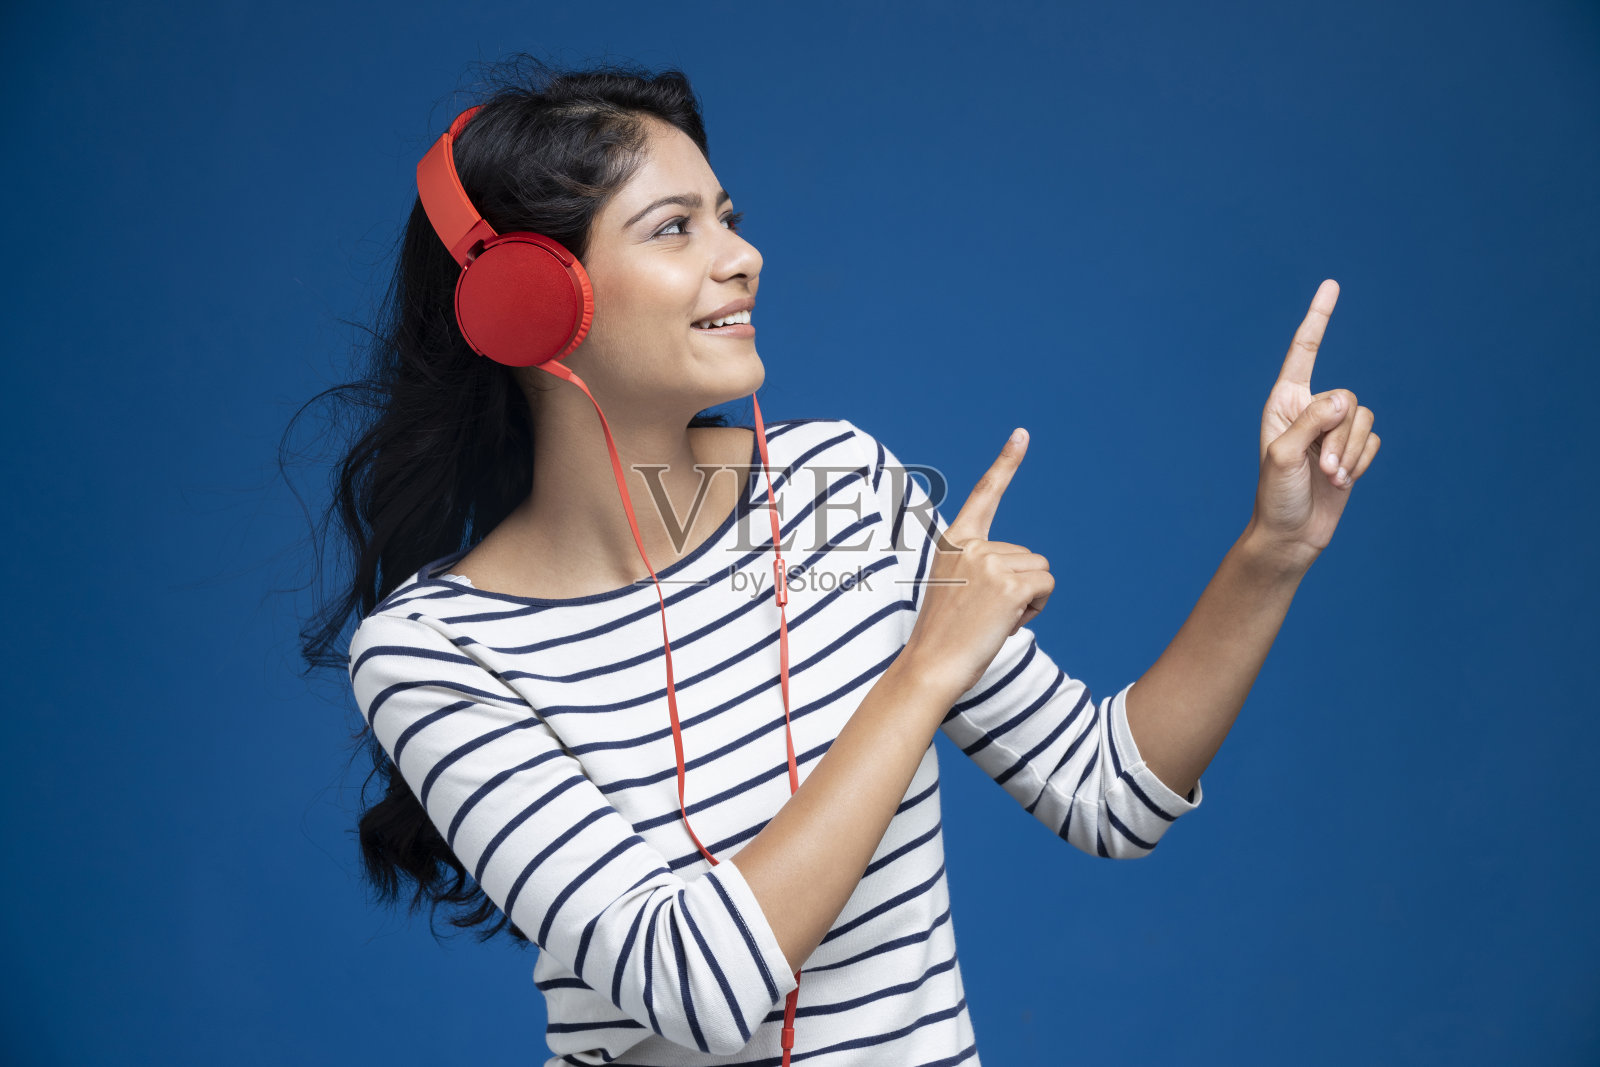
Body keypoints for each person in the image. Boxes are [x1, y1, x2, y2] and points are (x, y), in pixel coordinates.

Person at [306, 56, 1378, 1067]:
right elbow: (697, 984)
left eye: (728, 216)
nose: (742, 255)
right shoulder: (433, 651)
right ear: (532, 302)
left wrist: (1274, 548)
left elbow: (1108, 792)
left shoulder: (838, 489)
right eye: (674, 227)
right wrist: (923, 673)